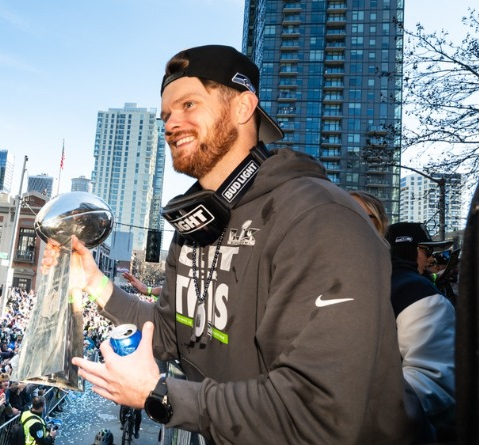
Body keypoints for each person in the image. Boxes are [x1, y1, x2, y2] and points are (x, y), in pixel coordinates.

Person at [52, 44, 414, 443]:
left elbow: (316, 410)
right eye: (167, 115)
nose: (172, 124)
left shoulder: (322, 220)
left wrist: (160, 395)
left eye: (189, 104)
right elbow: (171, 334)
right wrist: (94, 282)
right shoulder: (196, 222)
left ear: (244, 107)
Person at [385, 222, 456, 440]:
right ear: (411, 250)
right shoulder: (418, 293)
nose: (431, 259)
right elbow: (435, 381)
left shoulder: (364, 282)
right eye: (426, 251)